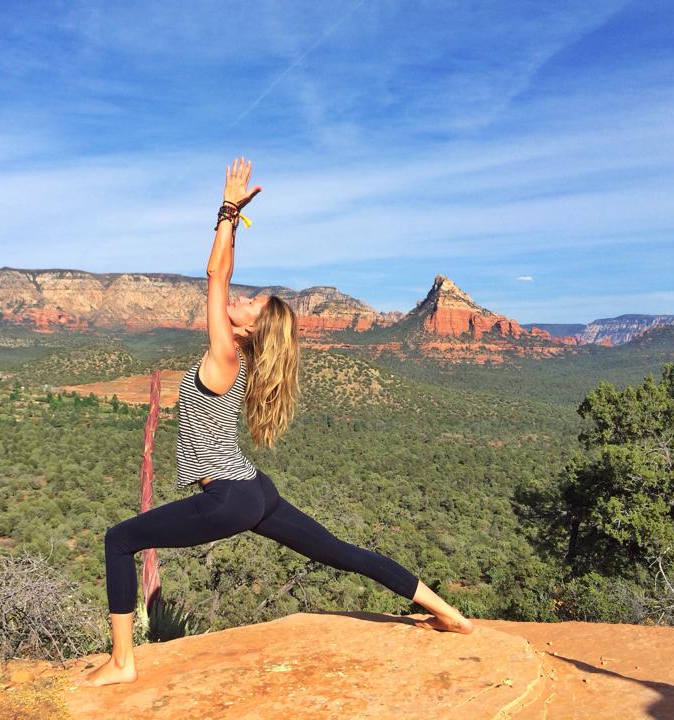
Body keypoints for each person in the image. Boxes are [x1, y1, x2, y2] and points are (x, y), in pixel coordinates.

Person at [79, 157, 473, 688]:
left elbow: (216, 275)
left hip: (227, 497)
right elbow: (225, 275)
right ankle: (449, 614)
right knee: (343, 554)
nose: (240, 299)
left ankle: (123, 662)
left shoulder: (225, 356)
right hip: (255, 490)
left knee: (119, 540)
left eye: (251, 304)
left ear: (248, 330)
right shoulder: (241, 358)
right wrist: (235, 224)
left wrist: (227, 209)